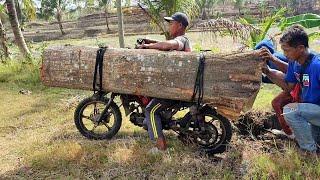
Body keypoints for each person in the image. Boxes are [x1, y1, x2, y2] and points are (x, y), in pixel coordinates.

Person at [137, 12, 192, 151]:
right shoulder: (183, 39)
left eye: (171, 23)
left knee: (150, 109)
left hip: (176, 90)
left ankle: (160, 147)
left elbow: (168, 45)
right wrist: (150, 41)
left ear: (180, 25)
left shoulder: (182, 40)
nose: (169, 26)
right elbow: (166, 43)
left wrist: (147, 47)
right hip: (179, 86)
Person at [262, 25, 320, 153]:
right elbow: (288, 86)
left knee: (290, 110)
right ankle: (312, 145)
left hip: (317, 110)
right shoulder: (295, 62)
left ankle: (309, 152)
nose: (285, 54)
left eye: (287, 50)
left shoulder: (317, 65)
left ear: (300, 48)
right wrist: (267, 71)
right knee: (316, 141)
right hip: (313, 110)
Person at [255, 39, 294, 138]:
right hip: (292, 83)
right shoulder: (274, 58)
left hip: (294, 85)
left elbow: (281, 78)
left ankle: (288, 132)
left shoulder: (273, 61)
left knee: (277, 103)